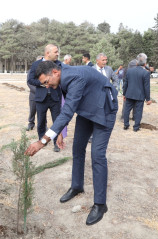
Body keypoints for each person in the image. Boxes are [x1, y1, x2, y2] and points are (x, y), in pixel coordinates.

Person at [25, 60, 118, 226]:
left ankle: (100, 204)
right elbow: (67, 106)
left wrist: (42, 141)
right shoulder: (61, 76)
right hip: (87, 110)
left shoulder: (74, 78)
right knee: (77, 148)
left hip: (104, 110)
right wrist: (60, 131)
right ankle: (77, 186)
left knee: (97, 155)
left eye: (46, 82)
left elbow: (68, 111)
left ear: (55, 72)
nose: (46, 86)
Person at [27, 44, 63, 152]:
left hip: (55, 97)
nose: (58, 54)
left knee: (57, 121)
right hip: (41, 98)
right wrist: (43, 83)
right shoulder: (36, 64)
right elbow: (30, 80)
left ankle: (56, 142)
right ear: (48, 53)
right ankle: (41, 140)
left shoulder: (59, 65)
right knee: (41, 121)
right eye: (55, 52)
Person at [123, 53, 152, 132]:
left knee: (127, 110)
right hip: (140, 95)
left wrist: (124, 94)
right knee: (138, 111)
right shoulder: (146, 73)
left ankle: (126, 125)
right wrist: (148, 99)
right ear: (145, 64)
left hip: (129, 94)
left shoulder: (129, 71)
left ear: (136, 63)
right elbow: (147, 87)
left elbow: (126, 83)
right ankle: (136, 127)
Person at [26, 55, 43, 131]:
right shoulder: (31, 71)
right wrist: (38, 91)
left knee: (42, 111)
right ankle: (31, 123)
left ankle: (43, 125)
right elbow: (29, 83)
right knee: (32, 110)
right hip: (33, 95)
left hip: (42, 96)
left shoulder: (44, 72)